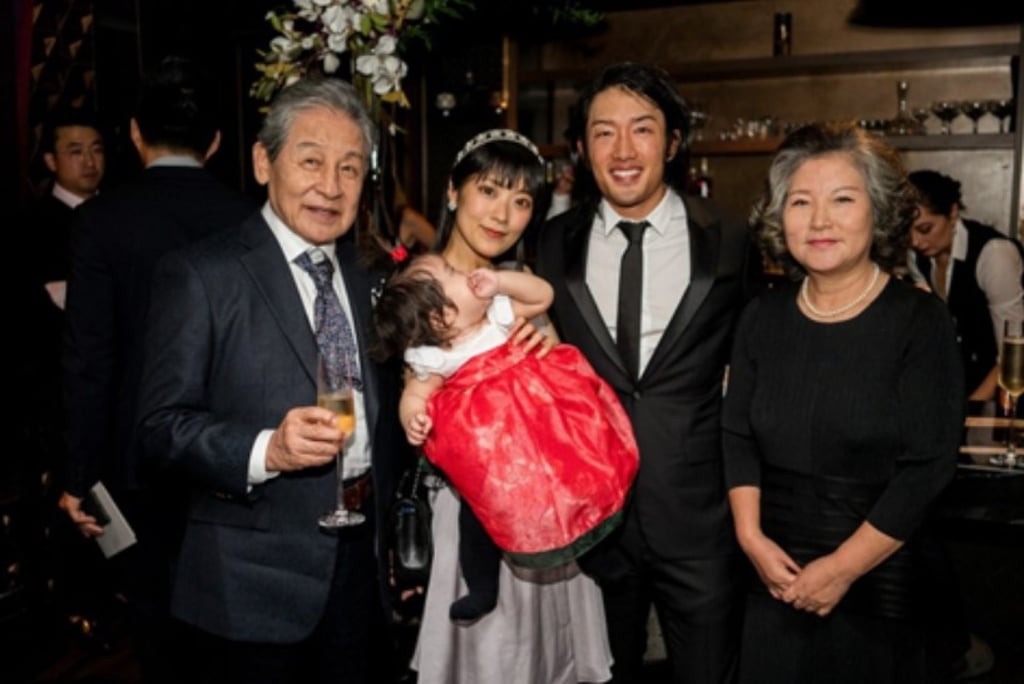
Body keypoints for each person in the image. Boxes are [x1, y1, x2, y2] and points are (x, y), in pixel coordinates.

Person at [134, 76, 408, 684]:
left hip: (362, 568)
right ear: (264, 162)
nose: (330, 186)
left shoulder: (371, 275)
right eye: (310, 161)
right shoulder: (202, 275)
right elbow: (159, 427)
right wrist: (268, 450)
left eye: (349, 168)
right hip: (249, 587)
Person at [535, 61, 759, 683]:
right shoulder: (552, 243)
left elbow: (752, 366)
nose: (624, 150)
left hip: (701, 520)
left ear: (674, 142)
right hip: (594, 525)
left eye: (642, 129)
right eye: (604, 132)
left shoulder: (729, 236)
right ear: (582, 150)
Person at [722, 121, 965, 683]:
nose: (819, 220)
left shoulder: (919, 319)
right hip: (772, 576)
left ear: (878, 211)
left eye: (842, 199)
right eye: (800, 201)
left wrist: (839, 570)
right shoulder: (761, 315)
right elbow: (736, 434)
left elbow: (928, 466)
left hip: (879, 584)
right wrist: (751, 539)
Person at [56, 55, 256, 682]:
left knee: (154, 620)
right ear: (216, 142)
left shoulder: (100, 220)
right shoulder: (248, 219)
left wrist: (77, 473)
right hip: (230, 452)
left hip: (134, 457)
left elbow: (88, 356)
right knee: (230, 626)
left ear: (135, 134)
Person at [407, 128, 614, 684]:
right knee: (492, 658)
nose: (503, 214)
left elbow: (559, 390)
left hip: (547, 500)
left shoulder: (521, 283)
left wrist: (545, 349)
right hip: (473, 501)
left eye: (521, 201)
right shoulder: (420, 284)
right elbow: (418, 395)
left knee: (551, 657)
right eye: (489, 191)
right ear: (453, 191)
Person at [371, 252, 638, 622]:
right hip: (491, 453)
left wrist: (500, 282)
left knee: (572, 493)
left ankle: (603, 560)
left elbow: (542, 295)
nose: (465, 273)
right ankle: (482, 586)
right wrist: (412, 418)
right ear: (441, 317)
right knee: (478, 513)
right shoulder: (432, 357)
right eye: (451, 274)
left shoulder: (498, 314)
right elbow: (415, 395)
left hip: (541, 430)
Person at [907, 169, 1024, 403]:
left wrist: (972, 407)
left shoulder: (994, 254)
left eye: (925, 229)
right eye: (906, 231)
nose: (915, 241)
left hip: (1005, 385)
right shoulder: (916, 257)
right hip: (960, 381)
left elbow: (1014, 347)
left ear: (952, 213)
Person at [28, 107, 106, 312]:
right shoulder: (32, 228)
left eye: (97, 150)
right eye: (76, 152)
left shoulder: (123, 213)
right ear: (51, 161)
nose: (90, 162)